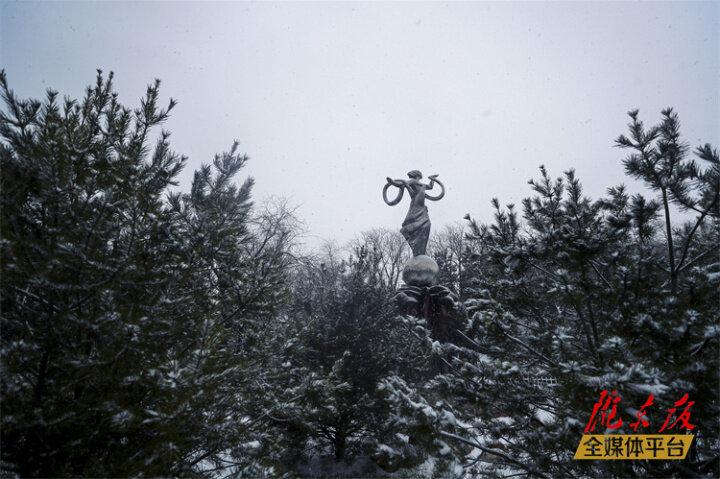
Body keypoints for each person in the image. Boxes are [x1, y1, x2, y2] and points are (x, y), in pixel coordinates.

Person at [383, 170, 444, 256]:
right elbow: (402, 184)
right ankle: (417, 247)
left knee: (427, 225)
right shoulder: (412, 181)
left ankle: (420, 250)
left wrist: (432, 179)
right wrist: (392, 182)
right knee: (418, 225)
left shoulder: (422, 185)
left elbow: (430, 187)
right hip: (416, 206)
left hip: (422, 208)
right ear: (418, 174)